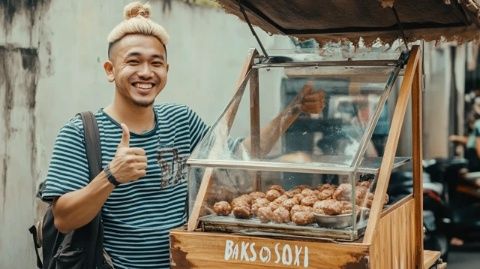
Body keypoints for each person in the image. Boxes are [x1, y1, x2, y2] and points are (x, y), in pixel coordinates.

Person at [41, 2, 324, 268]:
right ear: (110, 70)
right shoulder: (81, 132)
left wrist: (293, 109)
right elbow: (65, 218)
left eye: (156, 63)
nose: (145, 72)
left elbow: (239, 155)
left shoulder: (182, 120)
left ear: (166, 69)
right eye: (133, 62)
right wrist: (111, 176)